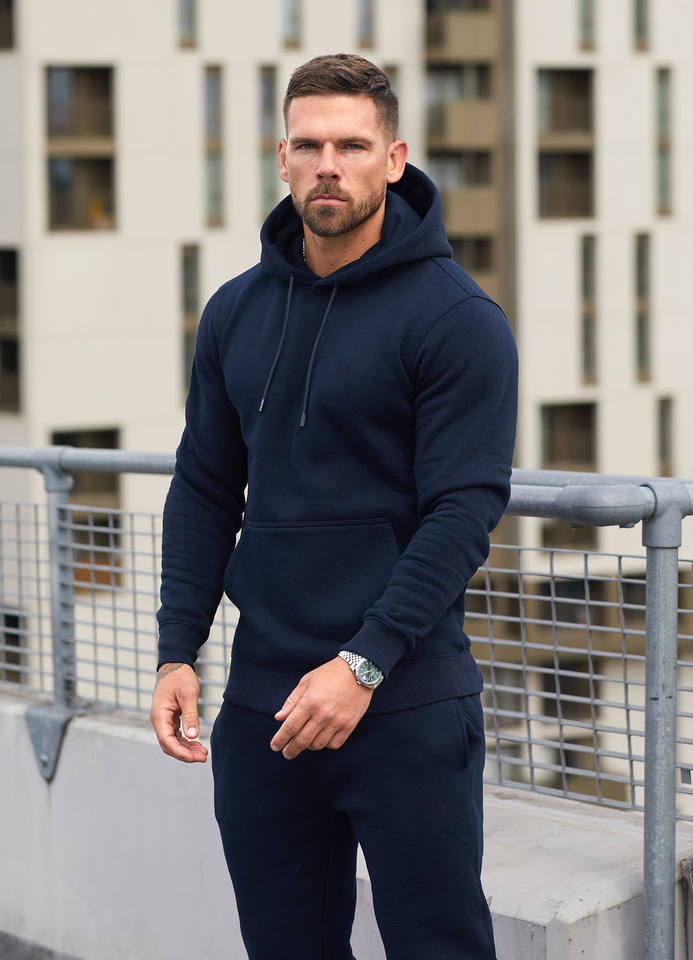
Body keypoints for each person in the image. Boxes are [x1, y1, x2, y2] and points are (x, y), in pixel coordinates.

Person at [150, 53, 517, 960]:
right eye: (308, 145)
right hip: (264, 709)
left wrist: (363, 663)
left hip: (404, 702)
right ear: (281, 158)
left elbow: (463, 511)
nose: (327, 165)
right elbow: (204, 486)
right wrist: (176, 649)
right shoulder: (234, 312)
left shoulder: (456, 319)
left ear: (393, 159)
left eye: (350, 146)